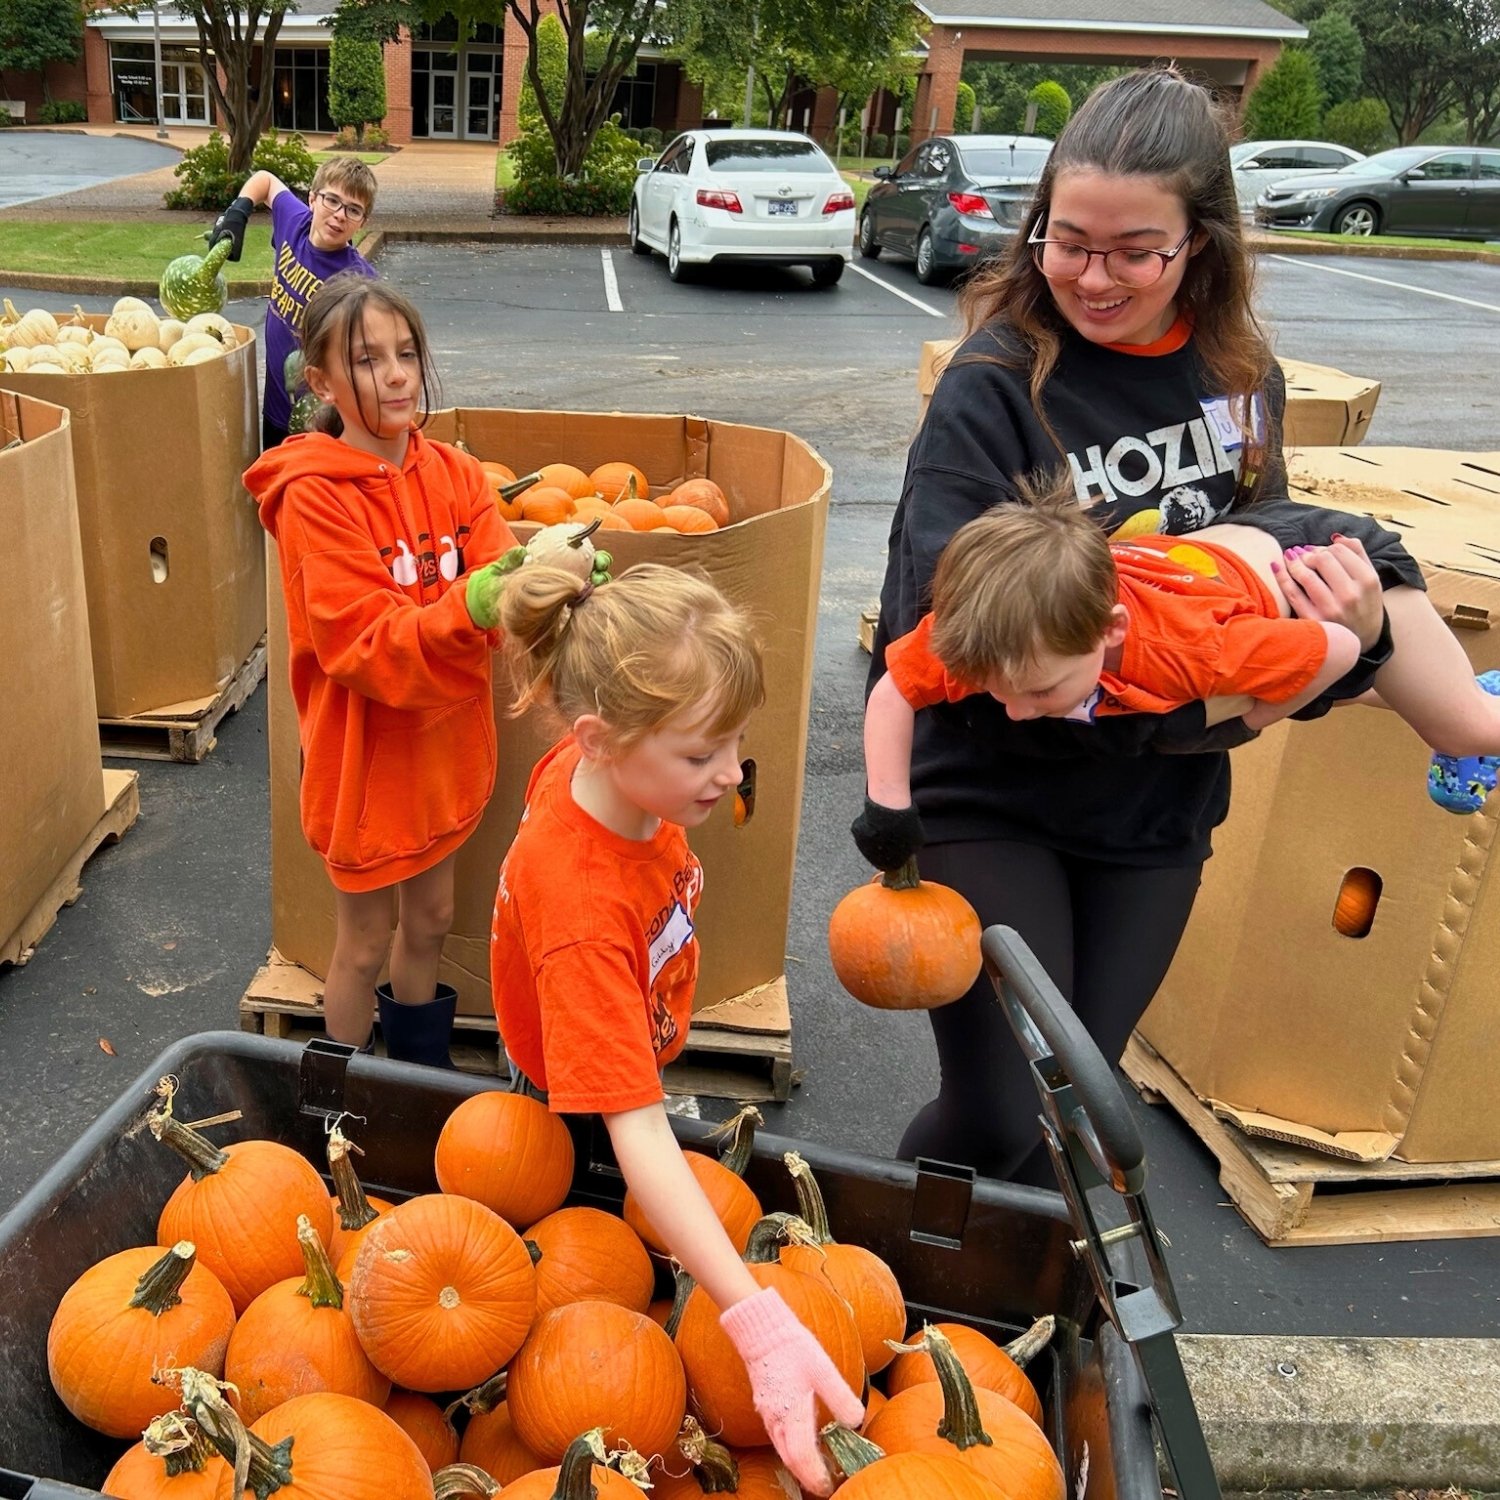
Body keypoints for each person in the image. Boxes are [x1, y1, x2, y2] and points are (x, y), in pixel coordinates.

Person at [857, 65, 1429, 1185]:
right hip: (993, 788)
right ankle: (888, 1293)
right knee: (1004, 1101)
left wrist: (1354, 633)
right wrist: (1207, 696)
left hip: (1155, 813)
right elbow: (934, 628)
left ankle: (1003, 1312)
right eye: (1068, 241)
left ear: (1200, 246)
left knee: (1080, 1097)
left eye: (1135, 251)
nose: (1094, 275)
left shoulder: (1239, 376)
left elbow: (1262, 564)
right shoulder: (997, 385)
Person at [490, 563, 864, 1495]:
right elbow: (636, 1127)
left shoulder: (598, 779)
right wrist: (753, 1313)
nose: (732, 775)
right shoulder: (581, 913)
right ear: (601, 742)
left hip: (619, 1023)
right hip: (568, 1086)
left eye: (735, 743)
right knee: (592, 1240)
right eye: (702, 756)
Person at [245, 275, 521, 1064]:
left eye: (406, 353)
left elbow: (501, 565)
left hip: (444, 749)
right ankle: (344, 1106)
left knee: (431, 921)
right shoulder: (313, 499)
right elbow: (359, 642)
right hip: (363, 762)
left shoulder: (457, 474)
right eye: (368, 360)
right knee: (364, 941)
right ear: (322, 382)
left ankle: (418, 1081)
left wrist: (544, 580)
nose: (397, 374)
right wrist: (472, 605)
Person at [864, 475, 1500, 815]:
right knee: (1300, 673)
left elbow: (1335, 648)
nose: (1018, 711)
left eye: (1039, 692)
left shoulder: (1190, 655)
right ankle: (1455, 691)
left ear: (1108, 629)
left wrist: (1254, 716)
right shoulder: (994, 628)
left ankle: (1475, 711)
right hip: (1228, 562)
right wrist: (887, 809)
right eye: (999, 693)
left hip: (1327, 564)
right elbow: (895, 690)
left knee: (1465, 726)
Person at [211, 156, 378, 452]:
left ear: (362, 222)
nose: (340, 215)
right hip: (275, 400)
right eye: (332, 200)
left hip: (320, 422)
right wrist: (237, 212)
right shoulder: (294, 223)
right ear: (312, 199)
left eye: (353, 210)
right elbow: (265, 179)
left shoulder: (359, 283)